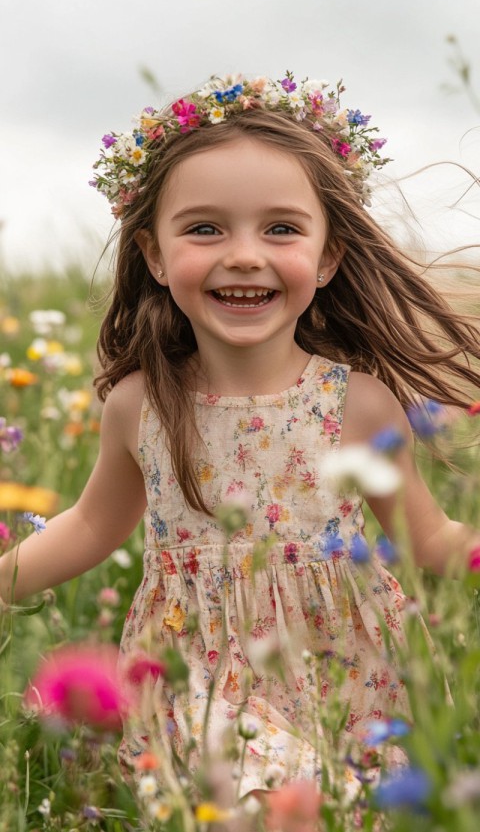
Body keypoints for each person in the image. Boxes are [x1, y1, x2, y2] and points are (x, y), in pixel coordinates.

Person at [1, 72, 479, 798]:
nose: (245, 254)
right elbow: (94, 522)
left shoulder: (359, 403)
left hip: (341, 681)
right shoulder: (142, 404)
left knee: (331, 799)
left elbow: (424, 536)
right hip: (193, 674)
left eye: (281, 227)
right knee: (237, 786)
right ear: (155, 255)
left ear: (327, 257)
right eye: (204, 228)